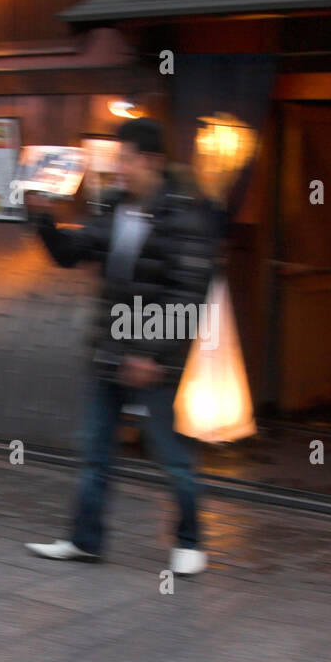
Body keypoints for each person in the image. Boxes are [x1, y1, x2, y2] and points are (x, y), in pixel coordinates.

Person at [23, 118, 216, 575]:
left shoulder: (185, 218)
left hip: (154, 360)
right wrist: (42, 217)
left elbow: (189, 295)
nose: (120, 168)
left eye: (126, 159)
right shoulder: (113, 209)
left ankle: (190, 542)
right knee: (95, 452)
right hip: (109, 351)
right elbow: (73, 253)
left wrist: (151, 352)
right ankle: (85, 540)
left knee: (171, 456)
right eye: (117, 160)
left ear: (151, 161)